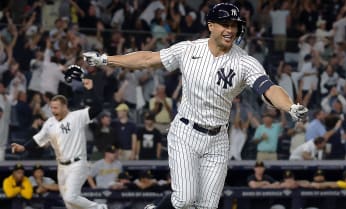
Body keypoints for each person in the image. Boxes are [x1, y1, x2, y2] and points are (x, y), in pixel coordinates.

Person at [82, 3, 308, 209]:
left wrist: (289, 106)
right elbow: (146, 59)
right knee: (185, 199)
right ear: (211, 25)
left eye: (235, 25)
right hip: (185, 132)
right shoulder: (188, 49)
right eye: (225, 24)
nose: (230, 30)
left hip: (218, 140)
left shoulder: (245, 62)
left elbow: (268, 88)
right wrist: (105, 60)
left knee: (206, 207)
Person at [10, 65, 108, 209]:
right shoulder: (50, 123)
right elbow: (38, 139)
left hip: (78, 164)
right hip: (62, 167)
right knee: (70, 203)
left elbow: (98, 109)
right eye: (51, 107)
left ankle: (100, 208)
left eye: (56, 107)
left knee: (70, 196)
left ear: (64, 107)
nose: (53, 110)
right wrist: (23, 146)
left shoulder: (76, 116)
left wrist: (90, 90)